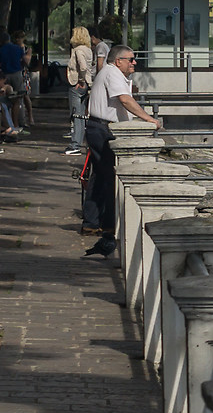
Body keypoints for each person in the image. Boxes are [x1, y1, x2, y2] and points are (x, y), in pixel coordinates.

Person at [82, 43, 160, 258]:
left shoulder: (112, 73)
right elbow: (124, 100)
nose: (134, 63)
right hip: (103, 129)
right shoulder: (112, 73)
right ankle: (107, 223)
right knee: (110, 176)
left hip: (98, 127)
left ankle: (92, 221)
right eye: (131, 59)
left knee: (100, 176)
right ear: (118, 61)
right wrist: (149, 119)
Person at [64, 25, 94, 155]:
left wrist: (80, 80)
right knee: (81, 115)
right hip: (87, 83)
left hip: (77, 84)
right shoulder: (88, 50)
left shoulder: (77, 50)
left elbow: (82, 67)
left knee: (76, 114)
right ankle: (79, 141)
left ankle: (75, 144)